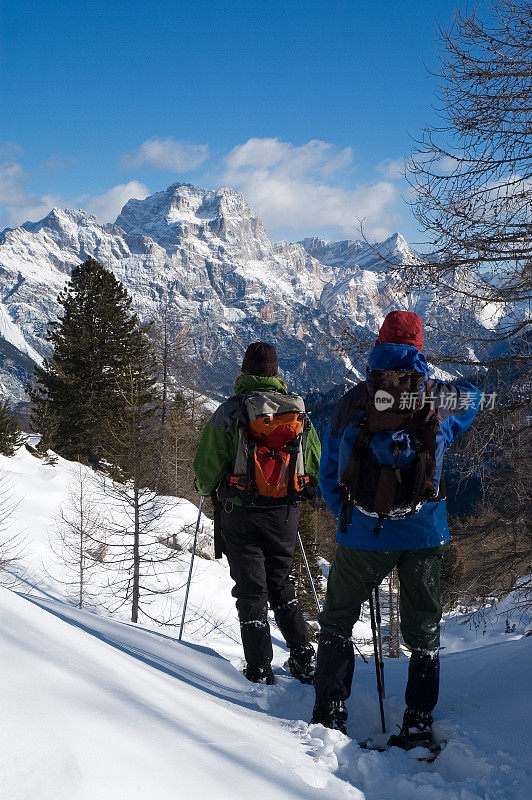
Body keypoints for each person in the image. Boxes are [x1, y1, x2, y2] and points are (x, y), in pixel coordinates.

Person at [311, 310, 480, 747]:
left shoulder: (352, 401)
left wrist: (348, 517)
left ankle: (330, 714)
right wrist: (429, 381)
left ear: (378, 344)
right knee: (423, 626)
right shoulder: (438, 399)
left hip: (363, 534)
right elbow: (476, 396)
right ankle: (419, 721)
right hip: (424, 533)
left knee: (337, 621)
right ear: (419, 347)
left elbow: (329, 471)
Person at [193, 342, 321, 684]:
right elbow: (315, 463)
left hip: (240, 511)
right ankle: (304, 658)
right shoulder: (297, 412)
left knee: (251, 590)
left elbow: (207, 469)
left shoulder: (230, 411)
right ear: (276, 374)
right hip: (283, 513)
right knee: (281, 583)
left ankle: (260, 667)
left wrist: (208, 489)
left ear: (244, 372)